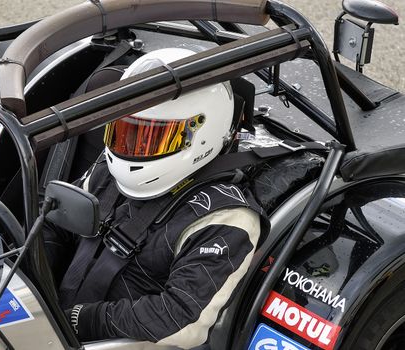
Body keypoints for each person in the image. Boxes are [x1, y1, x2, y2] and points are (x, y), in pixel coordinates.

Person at [45, 48, 268, 349]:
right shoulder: (110, 168)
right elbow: (58, 223)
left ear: (200, 134)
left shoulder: (227, 219)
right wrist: (34, 278)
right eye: (125, 131)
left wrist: (82, 319)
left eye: (151, 137)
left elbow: (181, 319)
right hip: (52, 326)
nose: (133, 147)